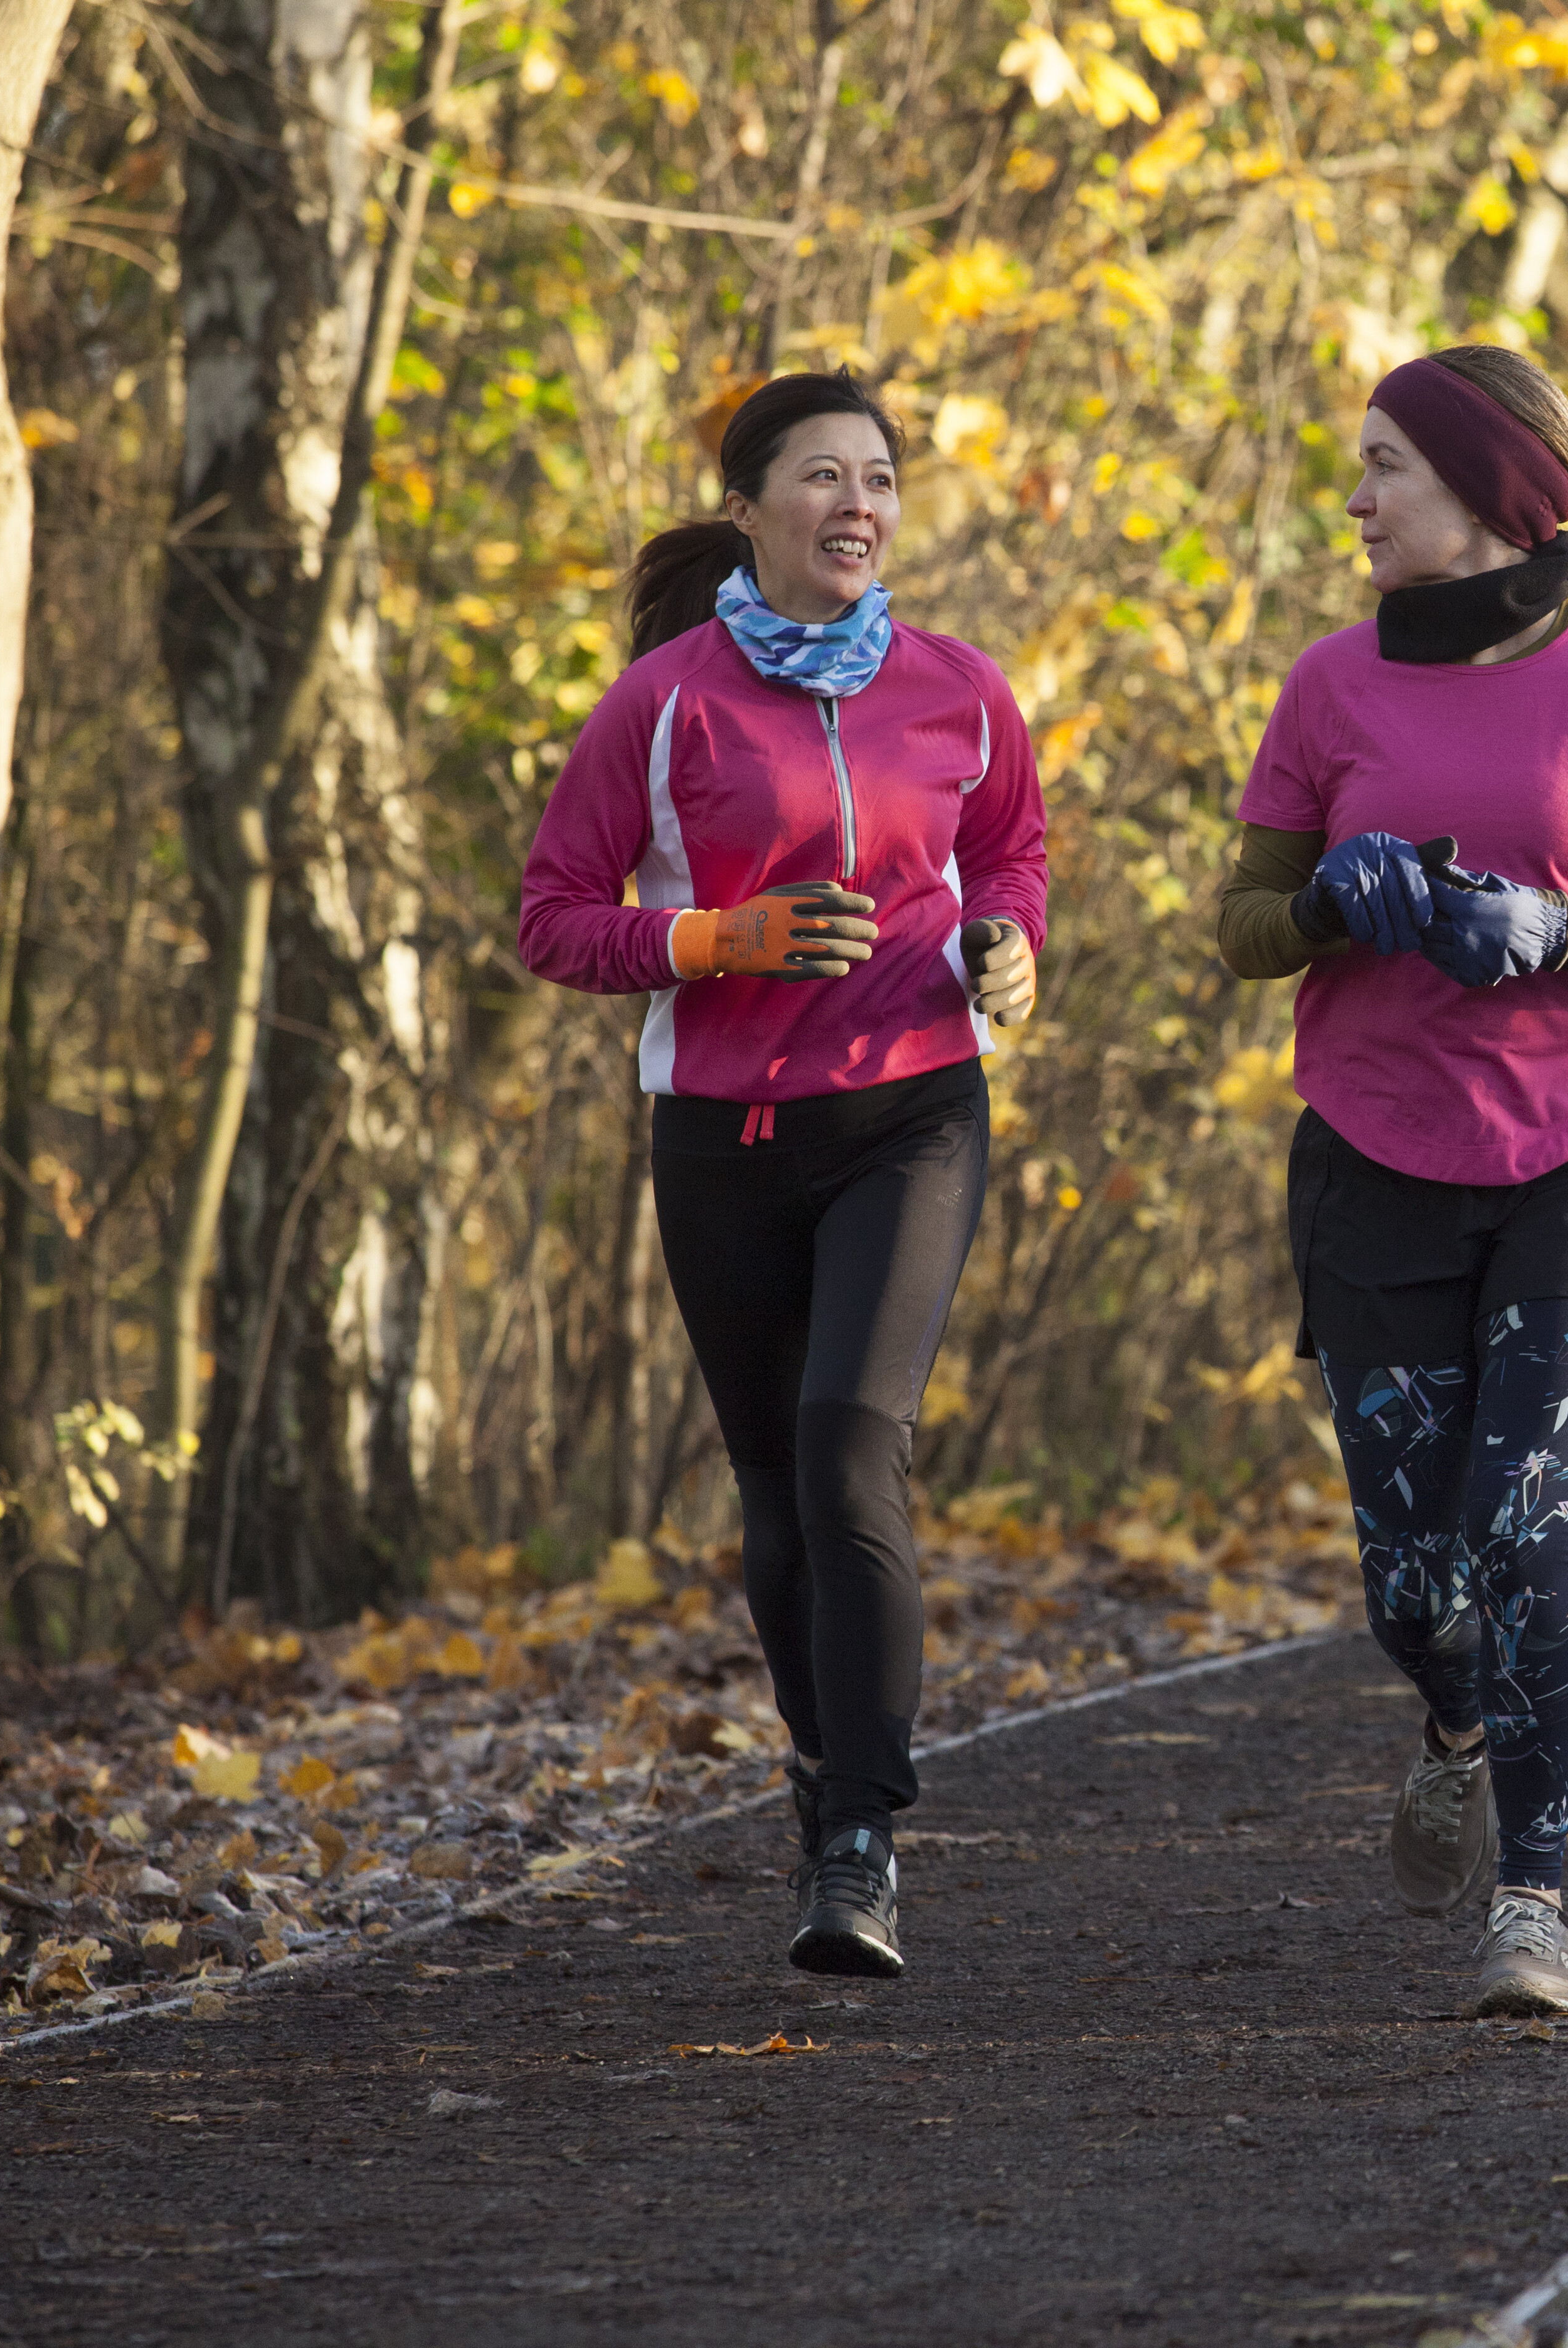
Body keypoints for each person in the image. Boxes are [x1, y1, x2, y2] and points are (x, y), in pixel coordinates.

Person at [1215, 346, 1568, 2019]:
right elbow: (1242, 933)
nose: (1357, 494)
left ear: (1488, 493)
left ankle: (1533, 1900)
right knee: (1416, 1579)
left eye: (1385, 463)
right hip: (1378, 1151)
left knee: (1519, 1527)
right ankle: (1452, 1728)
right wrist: (1333, 903)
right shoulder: (1329, 687)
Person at [519, 371, 1048, 1979]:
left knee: (845, 1445)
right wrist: (715, 941)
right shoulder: (664, 701)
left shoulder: (961, 689)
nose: (857, 505)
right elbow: (553, 914)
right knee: (772, 1493)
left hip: (914, 1111)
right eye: (822, 477)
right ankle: (821, 1769)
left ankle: (865, 1838)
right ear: (748, 510)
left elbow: (1010, 852)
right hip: (723, 1133)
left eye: (879, 479)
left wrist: (1010, 946)